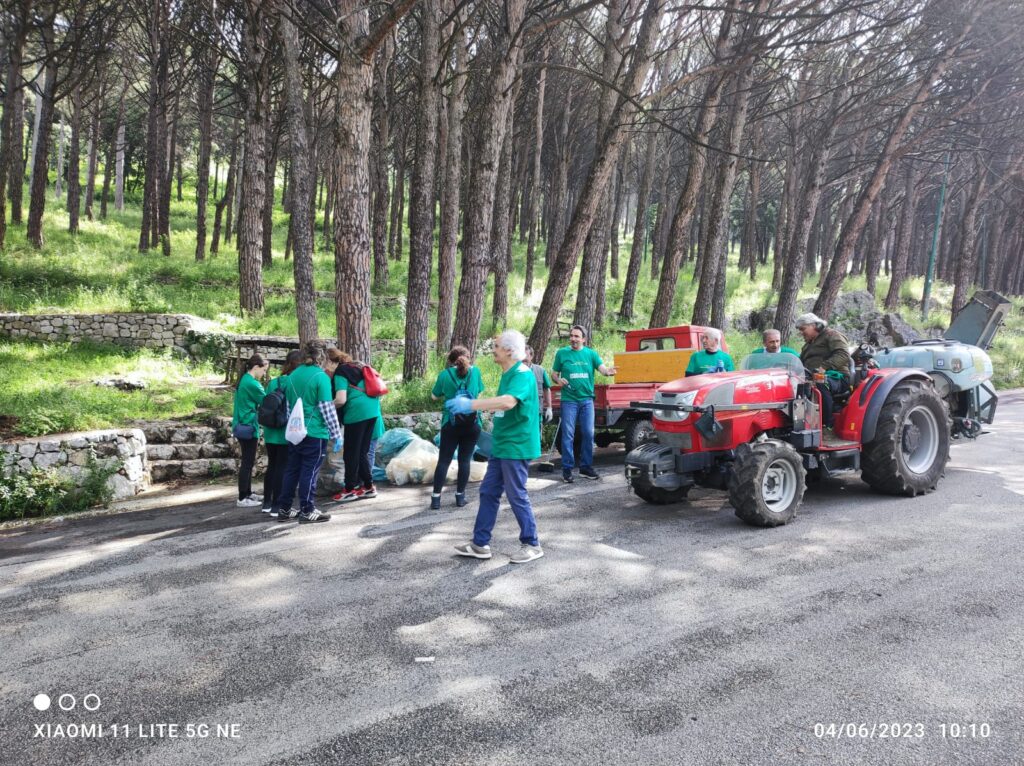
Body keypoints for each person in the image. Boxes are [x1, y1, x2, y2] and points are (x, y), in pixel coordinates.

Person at [447, 330, 543, 564]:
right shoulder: (508, 373)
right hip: (502, 445)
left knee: (516, 494)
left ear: (510, 350)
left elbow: (508, 402)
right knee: (488, 492)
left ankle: (532, 544)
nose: (493, 349)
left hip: (516, 446)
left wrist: (471, 404)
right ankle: (480, 544)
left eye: (497, 346)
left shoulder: (522, 373)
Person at [273, 341, 342, 524]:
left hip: (296, 431)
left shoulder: (292, 375)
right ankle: (307, 510)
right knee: (309, 472)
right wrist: (336, 434)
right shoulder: (321, 378)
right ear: (322, 357)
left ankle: (284, 508)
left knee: (292, 470)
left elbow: (289, 407)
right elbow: (327, 409)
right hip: (315, 432)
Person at [552, 325, 617, 483]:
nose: (573, 339)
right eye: (571, 336)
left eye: (576, 336)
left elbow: (602, 369)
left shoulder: (591, 354)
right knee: (568, 434)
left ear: (583, 339)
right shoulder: (562, 353)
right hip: (569, 400)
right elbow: (554, 374)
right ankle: (567, 469)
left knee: (588, 433)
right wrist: (558, 380)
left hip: (587, 400)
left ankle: (585, 467)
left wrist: (608, 371)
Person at [428, 346, 484, 510]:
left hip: (450, 424)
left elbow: (433, 396)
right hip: (473, 423)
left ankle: (436, 499)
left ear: (450, 360)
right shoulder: (476, 372)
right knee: (465, 460)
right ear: (468, 357)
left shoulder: (444, 375)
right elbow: (479, 391)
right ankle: (460, 497)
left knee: (444, 460)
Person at [329, 349, 382, 504]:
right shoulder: (358, 366)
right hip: (373, 411)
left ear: (332, 362)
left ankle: (349, 489)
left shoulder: (341, 372)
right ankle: (368, 486)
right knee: (363, 452)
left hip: (356, 414)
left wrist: (325, 407)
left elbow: (341, 400)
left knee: (351, 453)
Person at [261, 350, 302, 516]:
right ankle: (278, 504)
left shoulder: (274, 382)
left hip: (270, 430)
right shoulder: (294, 382)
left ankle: (267, 502)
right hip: (286, 431)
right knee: (283, 467)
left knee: (272, 465)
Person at [795, 312, 852, 430]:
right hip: (811, 376)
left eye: (802, 329)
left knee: (820, 383)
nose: (801, 333)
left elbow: (843, 354)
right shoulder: (808, 344)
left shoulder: (832, 335)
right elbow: (800, 363)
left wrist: (823, 368)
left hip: (837, 377)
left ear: (814, 325)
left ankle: (827, 424)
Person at [232, 354, 268, 508]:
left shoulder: (244, 380)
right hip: (248, 425)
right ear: (256, 367)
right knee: (247, 462)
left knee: (248, 461)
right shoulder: (252, 383)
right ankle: (242, 497)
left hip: (242, 424)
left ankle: (248, 493)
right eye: (263, 370)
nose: (264, 374)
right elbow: (267, 401)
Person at [525, 345, 554, 426]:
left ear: (531, 356)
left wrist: (549, 408)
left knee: (536, 437)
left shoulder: (540, 370)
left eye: (526, 356)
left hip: (536, 412)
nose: (523, 359)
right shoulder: (514, 372)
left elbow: (546, 389)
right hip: (519, 414)